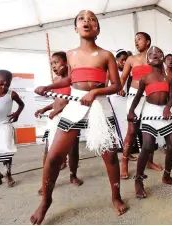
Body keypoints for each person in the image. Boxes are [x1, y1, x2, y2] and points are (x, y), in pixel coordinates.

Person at [31, 10, 128, 224]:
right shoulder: (70, 54)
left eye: (92, 19)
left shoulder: (106, 55)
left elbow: (116, 86)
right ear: (76, 28)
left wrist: (94, 92)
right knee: (54, 156)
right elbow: (68, 80)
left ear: (98, 29)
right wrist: (48, 86)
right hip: (75, 105)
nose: (87, 21)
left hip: (99, 104)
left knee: (110, 156)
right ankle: (46, 201)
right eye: (82, 19)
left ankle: (116, 196)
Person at [128, 46, 172, 199]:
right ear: (147, 60)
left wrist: (168, 108)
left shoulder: (168, 77)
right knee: (147, 146)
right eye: (150, 54)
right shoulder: (145, 77)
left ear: (162, 56)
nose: (154, 55)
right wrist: (131, 111)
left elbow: (170, 98)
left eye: (158, 52)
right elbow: (138, 97)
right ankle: (138, 180)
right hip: (149, 112)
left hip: (163, 112)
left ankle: (167, 176)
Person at [34, 51, 83, 196]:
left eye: (56, 62)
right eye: (51, 64)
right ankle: (46, 182)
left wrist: (58, 111)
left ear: (66, 62)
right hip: (55, 119)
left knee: (72, 150)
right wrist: (46, 108)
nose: (53, 66)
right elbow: (57, 100)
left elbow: (71, 101)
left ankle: (73, 175)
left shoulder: (74, 81)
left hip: (71, 117)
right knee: (48, 149)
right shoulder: (55, 82)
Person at [119, 32, 162, 180]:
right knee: (132, 131)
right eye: (135, 40)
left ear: (148, 41)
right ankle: (124, 162)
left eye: (139, 39)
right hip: (134, 96)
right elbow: (123, 77)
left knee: (151, 130)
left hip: (151, 95)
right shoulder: (131, 59)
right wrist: (121, 87)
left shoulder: (155, 58)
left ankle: (149, 161)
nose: (136, 42)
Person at [107, 49, 137, 160]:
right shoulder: (111, 70)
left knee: (126, 126)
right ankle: (126, 154)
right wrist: (115, 90)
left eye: (126, 60)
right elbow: (106, 86)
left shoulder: (128, 71)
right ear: (116, 60)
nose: (124, 62)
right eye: (122, 60)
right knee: (121, 127)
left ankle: (126, 151)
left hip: (125, 100)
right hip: (115, 100)